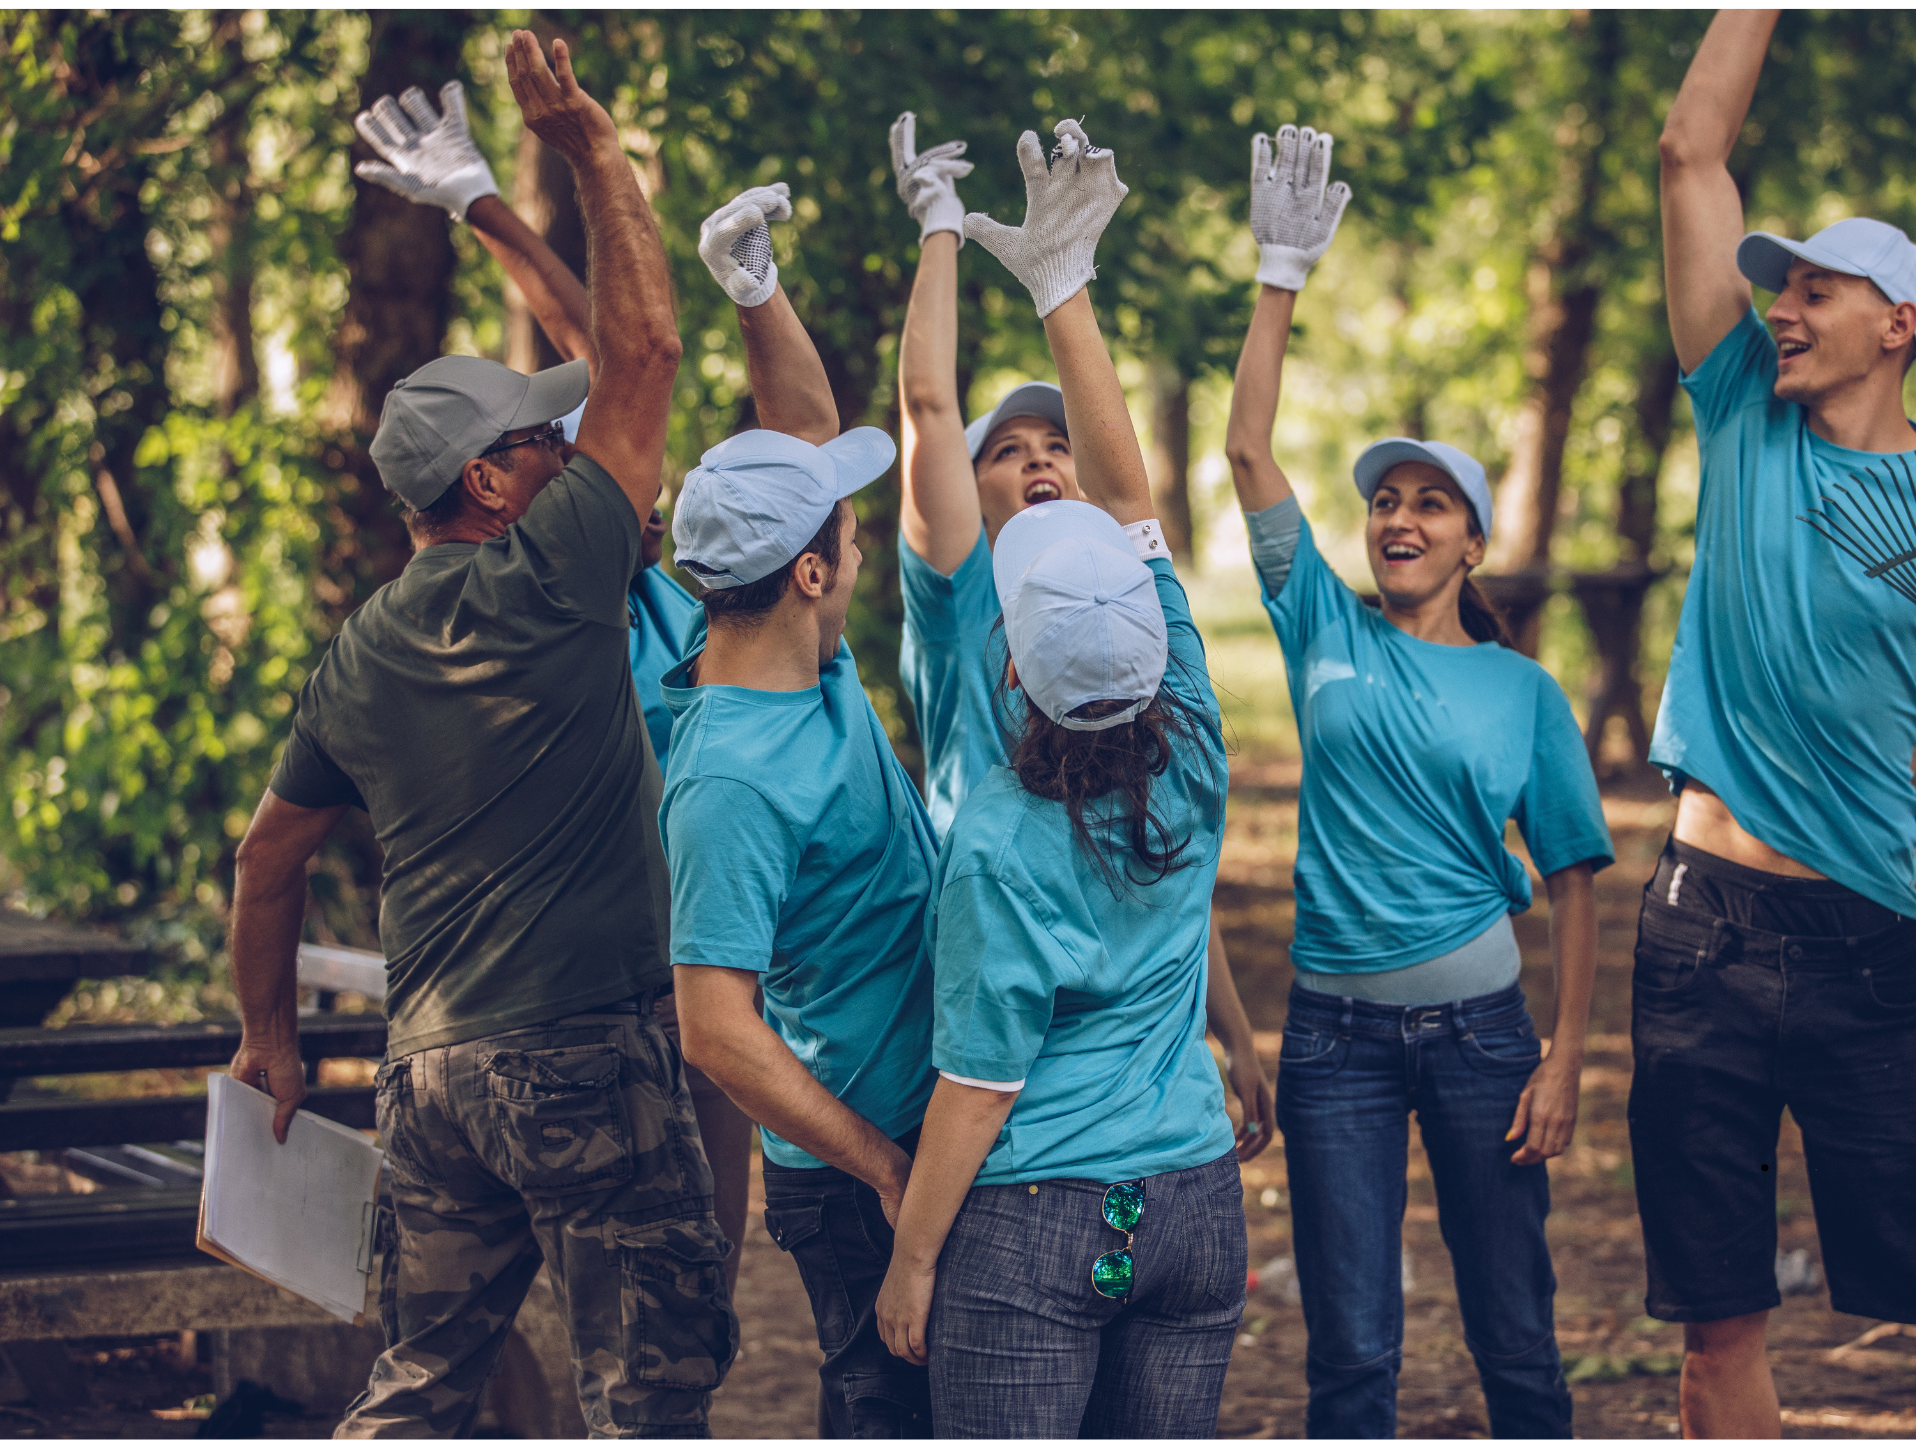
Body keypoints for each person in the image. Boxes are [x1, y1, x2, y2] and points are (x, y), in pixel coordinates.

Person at [226, 34, 734, 1437]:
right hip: (583, 1060)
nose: (566, 453)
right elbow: (642, 348)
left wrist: (269, 1037)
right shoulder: (557, 571)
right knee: (647, 1393)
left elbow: (267, 859)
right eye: (534, 442)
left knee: (420, 1390)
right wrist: (589, 152)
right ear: (487, 483)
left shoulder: (357, 653)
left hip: (433, 1073)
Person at [1645, 12, 1916, 1438]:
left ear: (1900, 322)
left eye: (1817, 288)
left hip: (1868, 941)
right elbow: (1690, 150)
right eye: (1776, 286)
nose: (1780, 308)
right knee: (1714, 1322)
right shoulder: (1740, 407)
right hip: (1701, 932)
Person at [1221, 126, 1612, 1440]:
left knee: (1515, 1337)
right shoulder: (1320, 625)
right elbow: (1244, 455)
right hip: (1330, 1041)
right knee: (1351, 1352)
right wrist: (1280, 273)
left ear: (1471, 540)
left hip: (1484, 1043)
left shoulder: (1524, 694)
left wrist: (1562, 1059)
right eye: (1385, 500)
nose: (1397, 519)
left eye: (1428, 504)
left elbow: (1573, 881)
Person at [351, 71, 755, 1298]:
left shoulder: (679, 602)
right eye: (557, 456)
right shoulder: (545, 601)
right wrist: (567, 162)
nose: (597, 463)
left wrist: (482, 200)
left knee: (687, 1312)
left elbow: (603, 353)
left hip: (704, 983)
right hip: (582, 1006)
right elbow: (621, 354)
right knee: (582, 1330)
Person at [873, 119, 1247, 1440]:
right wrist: (1054, 285)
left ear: (1019, 675)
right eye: (1007, 452)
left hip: (1034, 1189)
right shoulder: (1192, 732)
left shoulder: (1000, 841)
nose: (1041, 460)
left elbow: (980, 1083)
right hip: (1190, 1181)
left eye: (1054, 450)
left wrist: (913, 1254)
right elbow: (943, 421)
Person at [661, 180, 938, 1440]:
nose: (861, 543)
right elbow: (714, 1030)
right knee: (883, 1410)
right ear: (813, 573)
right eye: (844, 532)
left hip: (924, 1119)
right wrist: (883, 1166)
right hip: (855, 1164)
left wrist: (753, 290)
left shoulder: (796, 648)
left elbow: (808, 428)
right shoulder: (728, 779)